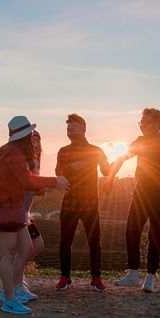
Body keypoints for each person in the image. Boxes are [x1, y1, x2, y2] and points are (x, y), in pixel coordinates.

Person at [0, 116, 69, 315]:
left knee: (26, 246)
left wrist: (50, 183)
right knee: (7, 253)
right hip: (4, 206)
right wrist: (54, 181)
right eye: (31, 134)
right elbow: (26, 180)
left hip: (12, 206)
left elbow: (23, 181)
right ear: (24, 136)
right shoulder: (14, 152)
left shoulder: (10, 151)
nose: (33, 138)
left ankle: (14, 290)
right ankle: (8, 299)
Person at [109, 108, 160, 292]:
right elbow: (122, 157)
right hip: (140, 195)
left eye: (144, 122)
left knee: (156, 237)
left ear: (156, 124)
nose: (141, 126)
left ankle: (150, 278)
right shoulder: (140, 142)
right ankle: (132, 274)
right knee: (131, 232)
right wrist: (109, 176)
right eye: (140, 122)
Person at [55, 114, 112, 292]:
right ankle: (65, 277)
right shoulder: (63, 151)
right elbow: (58, 173)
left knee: (94, 243)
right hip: (69, 203)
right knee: (65, 242)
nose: (69, 131)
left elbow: (106, 171)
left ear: (83, 129)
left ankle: (96, 278)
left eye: (73, 128)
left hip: (90, 204)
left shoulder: (96, 151)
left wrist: (113, 169)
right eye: (68, 129)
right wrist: (71, 168)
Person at [0, 130, 46, 304]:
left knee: (32, 246)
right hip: (18, 213)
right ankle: (14, 287)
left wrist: (38, 190)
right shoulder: (24, 160)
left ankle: (16, 284)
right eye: (34, 141)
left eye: (39, 140)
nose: (37, 144)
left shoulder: (34, 162)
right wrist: (42, 187)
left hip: (25, 214)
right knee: (26, 248)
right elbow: (24, 183)